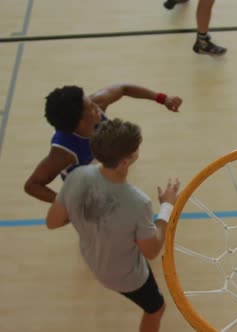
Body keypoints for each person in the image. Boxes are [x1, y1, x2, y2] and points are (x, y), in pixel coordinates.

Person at [45, 118, 181, 332]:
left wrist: (87, 209)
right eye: (136, 149)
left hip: (93, 258)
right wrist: (166, 207)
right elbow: (152, 250)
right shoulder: (138, 202)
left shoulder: (77, 176)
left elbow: (52, 222)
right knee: (157, 308)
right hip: (126, 277)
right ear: (125, 162)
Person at [24, 84, 182, 203]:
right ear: (79, 123)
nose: (97, 108)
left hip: (102, 158)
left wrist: (163, 98)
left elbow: (124, 88)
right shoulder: (63, 153)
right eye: (91, 108)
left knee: (131, 151)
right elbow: (32, 185)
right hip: (87, 182)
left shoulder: (97, 104)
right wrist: (64, 204)